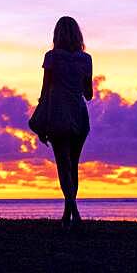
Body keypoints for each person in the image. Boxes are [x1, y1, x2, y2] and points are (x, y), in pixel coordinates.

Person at [38, 16, 93, 228]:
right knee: (73, 165)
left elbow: (45, 90)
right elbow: (88, 94)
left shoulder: (51, 57)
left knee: (63, 165)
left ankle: (73, 213)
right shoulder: (86, 59)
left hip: (59, 113)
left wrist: (41, 116)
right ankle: (68, 214)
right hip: (79, 114)